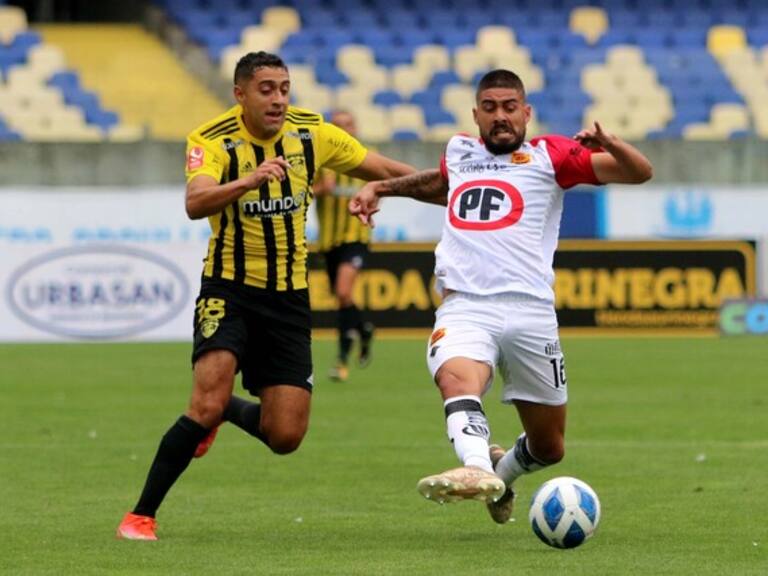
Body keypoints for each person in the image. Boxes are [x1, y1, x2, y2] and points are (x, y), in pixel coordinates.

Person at [116, 51, 415, 540]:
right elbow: (195, 201)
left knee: (285, 436)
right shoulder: (210, 139)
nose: (278, 99)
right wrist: (248, 180)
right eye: (266, 89)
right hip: (228, 289)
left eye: (284, 87)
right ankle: (140, 515)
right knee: (204, 399)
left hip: (288, 300)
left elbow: (379, 164)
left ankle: (228, 411)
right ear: (240, 94)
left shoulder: (311, 132)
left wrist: (452, 184)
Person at [349, 69, 652, 524]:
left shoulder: (550, 155)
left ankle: (499, 473)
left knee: (549, 447)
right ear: (476, 115)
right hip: (465, 304)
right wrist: (381, 187)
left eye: (509, 107)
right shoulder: (460, 152)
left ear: (526, 112)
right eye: (489, 108)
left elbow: (638, 172)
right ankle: (474, 467)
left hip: (530, 311)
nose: (500, 116)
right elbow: (441, 184)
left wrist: (612, 143)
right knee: (456, 379)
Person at [313, 110, 375, 382]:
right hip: (329, 241)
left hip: (355, 238)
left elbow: (380, 190)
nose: (344, 130)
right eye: (337, 126)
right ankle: (364, 328)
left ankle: (341, 360)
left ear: (356, 128)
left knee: (342, 290)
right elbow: (303, 193)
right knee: (343, 298)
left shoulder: (367, 159)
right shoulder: (321, 161)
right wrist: (320, 190)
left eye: (347, 125)